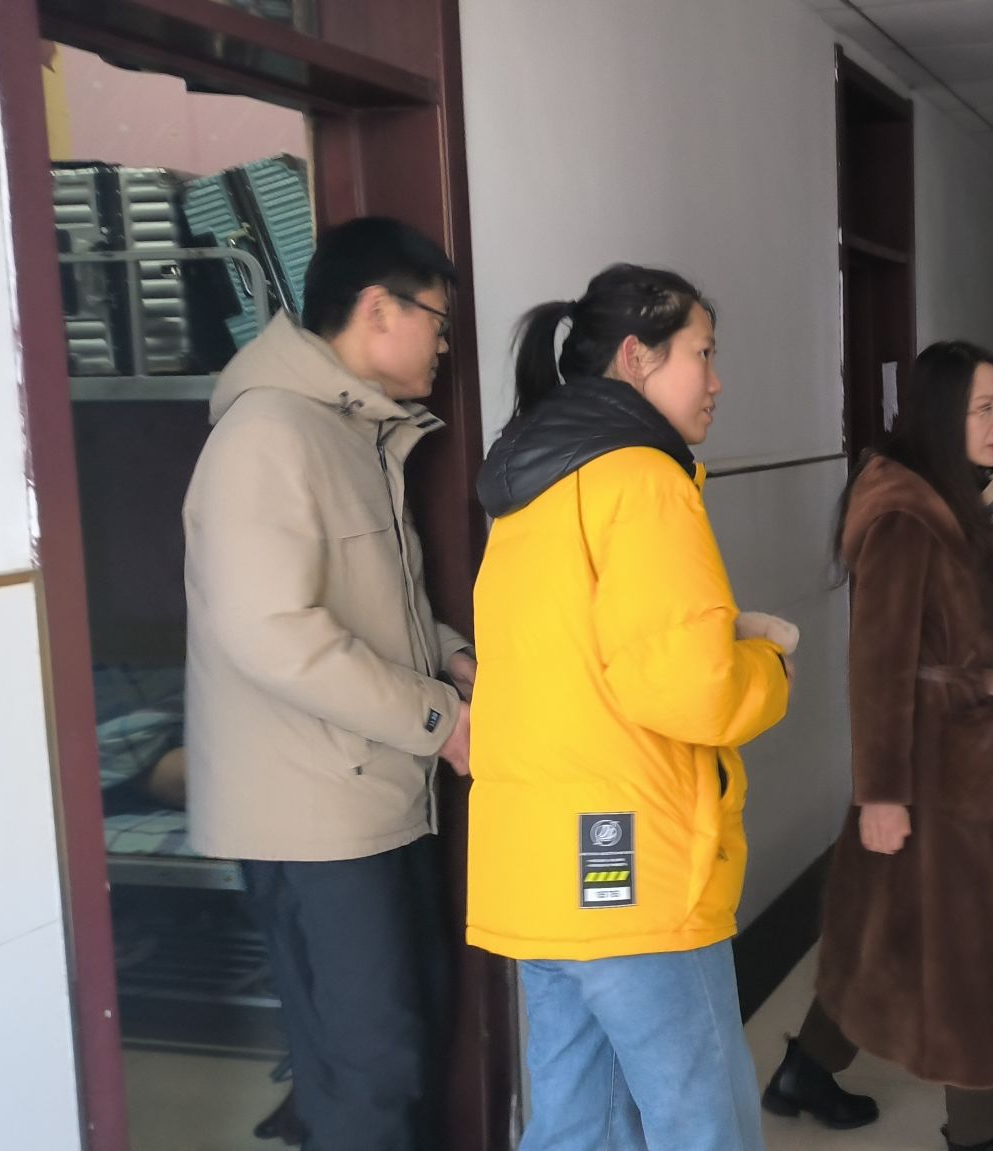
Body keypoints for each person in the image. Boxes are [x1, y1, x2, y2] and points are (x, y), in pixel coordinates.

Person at [465, 264, 794, 1151]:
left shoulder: (531, 487)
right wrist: (767, 664)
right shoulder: (643, 479)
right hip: (631, 868)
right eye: (702, 353)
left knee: (578, 1125)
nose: (717, 380)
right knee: (704, 1125)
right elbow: (690, 688)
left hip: (542, 871)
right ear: (637, 356)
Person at [183, 215, 476, 1151]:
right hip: (310, 816)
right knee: (367, 1069)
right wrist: (440, 719)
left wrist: (454, 659)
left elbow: (375, 608)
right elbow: (274, 631)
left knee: (403, 1042)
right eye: (438, 319)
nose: (444, 343)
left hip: (374, 794)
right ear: (379, 310)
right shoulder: (269, 434)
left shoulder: (354, 433)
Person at [764, 341, 993, 1151]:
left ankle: (806, 1068)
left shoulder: (968, 500)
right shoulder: (906, 516)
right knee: (969, 946)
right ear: (939, 414)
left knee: (882, 923)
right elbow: (877, 664)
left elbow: (980, 625)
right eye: (980, 407)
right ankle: (978, 1132)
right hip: (922, 764)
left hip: (954, 752)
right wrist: (881, 791)